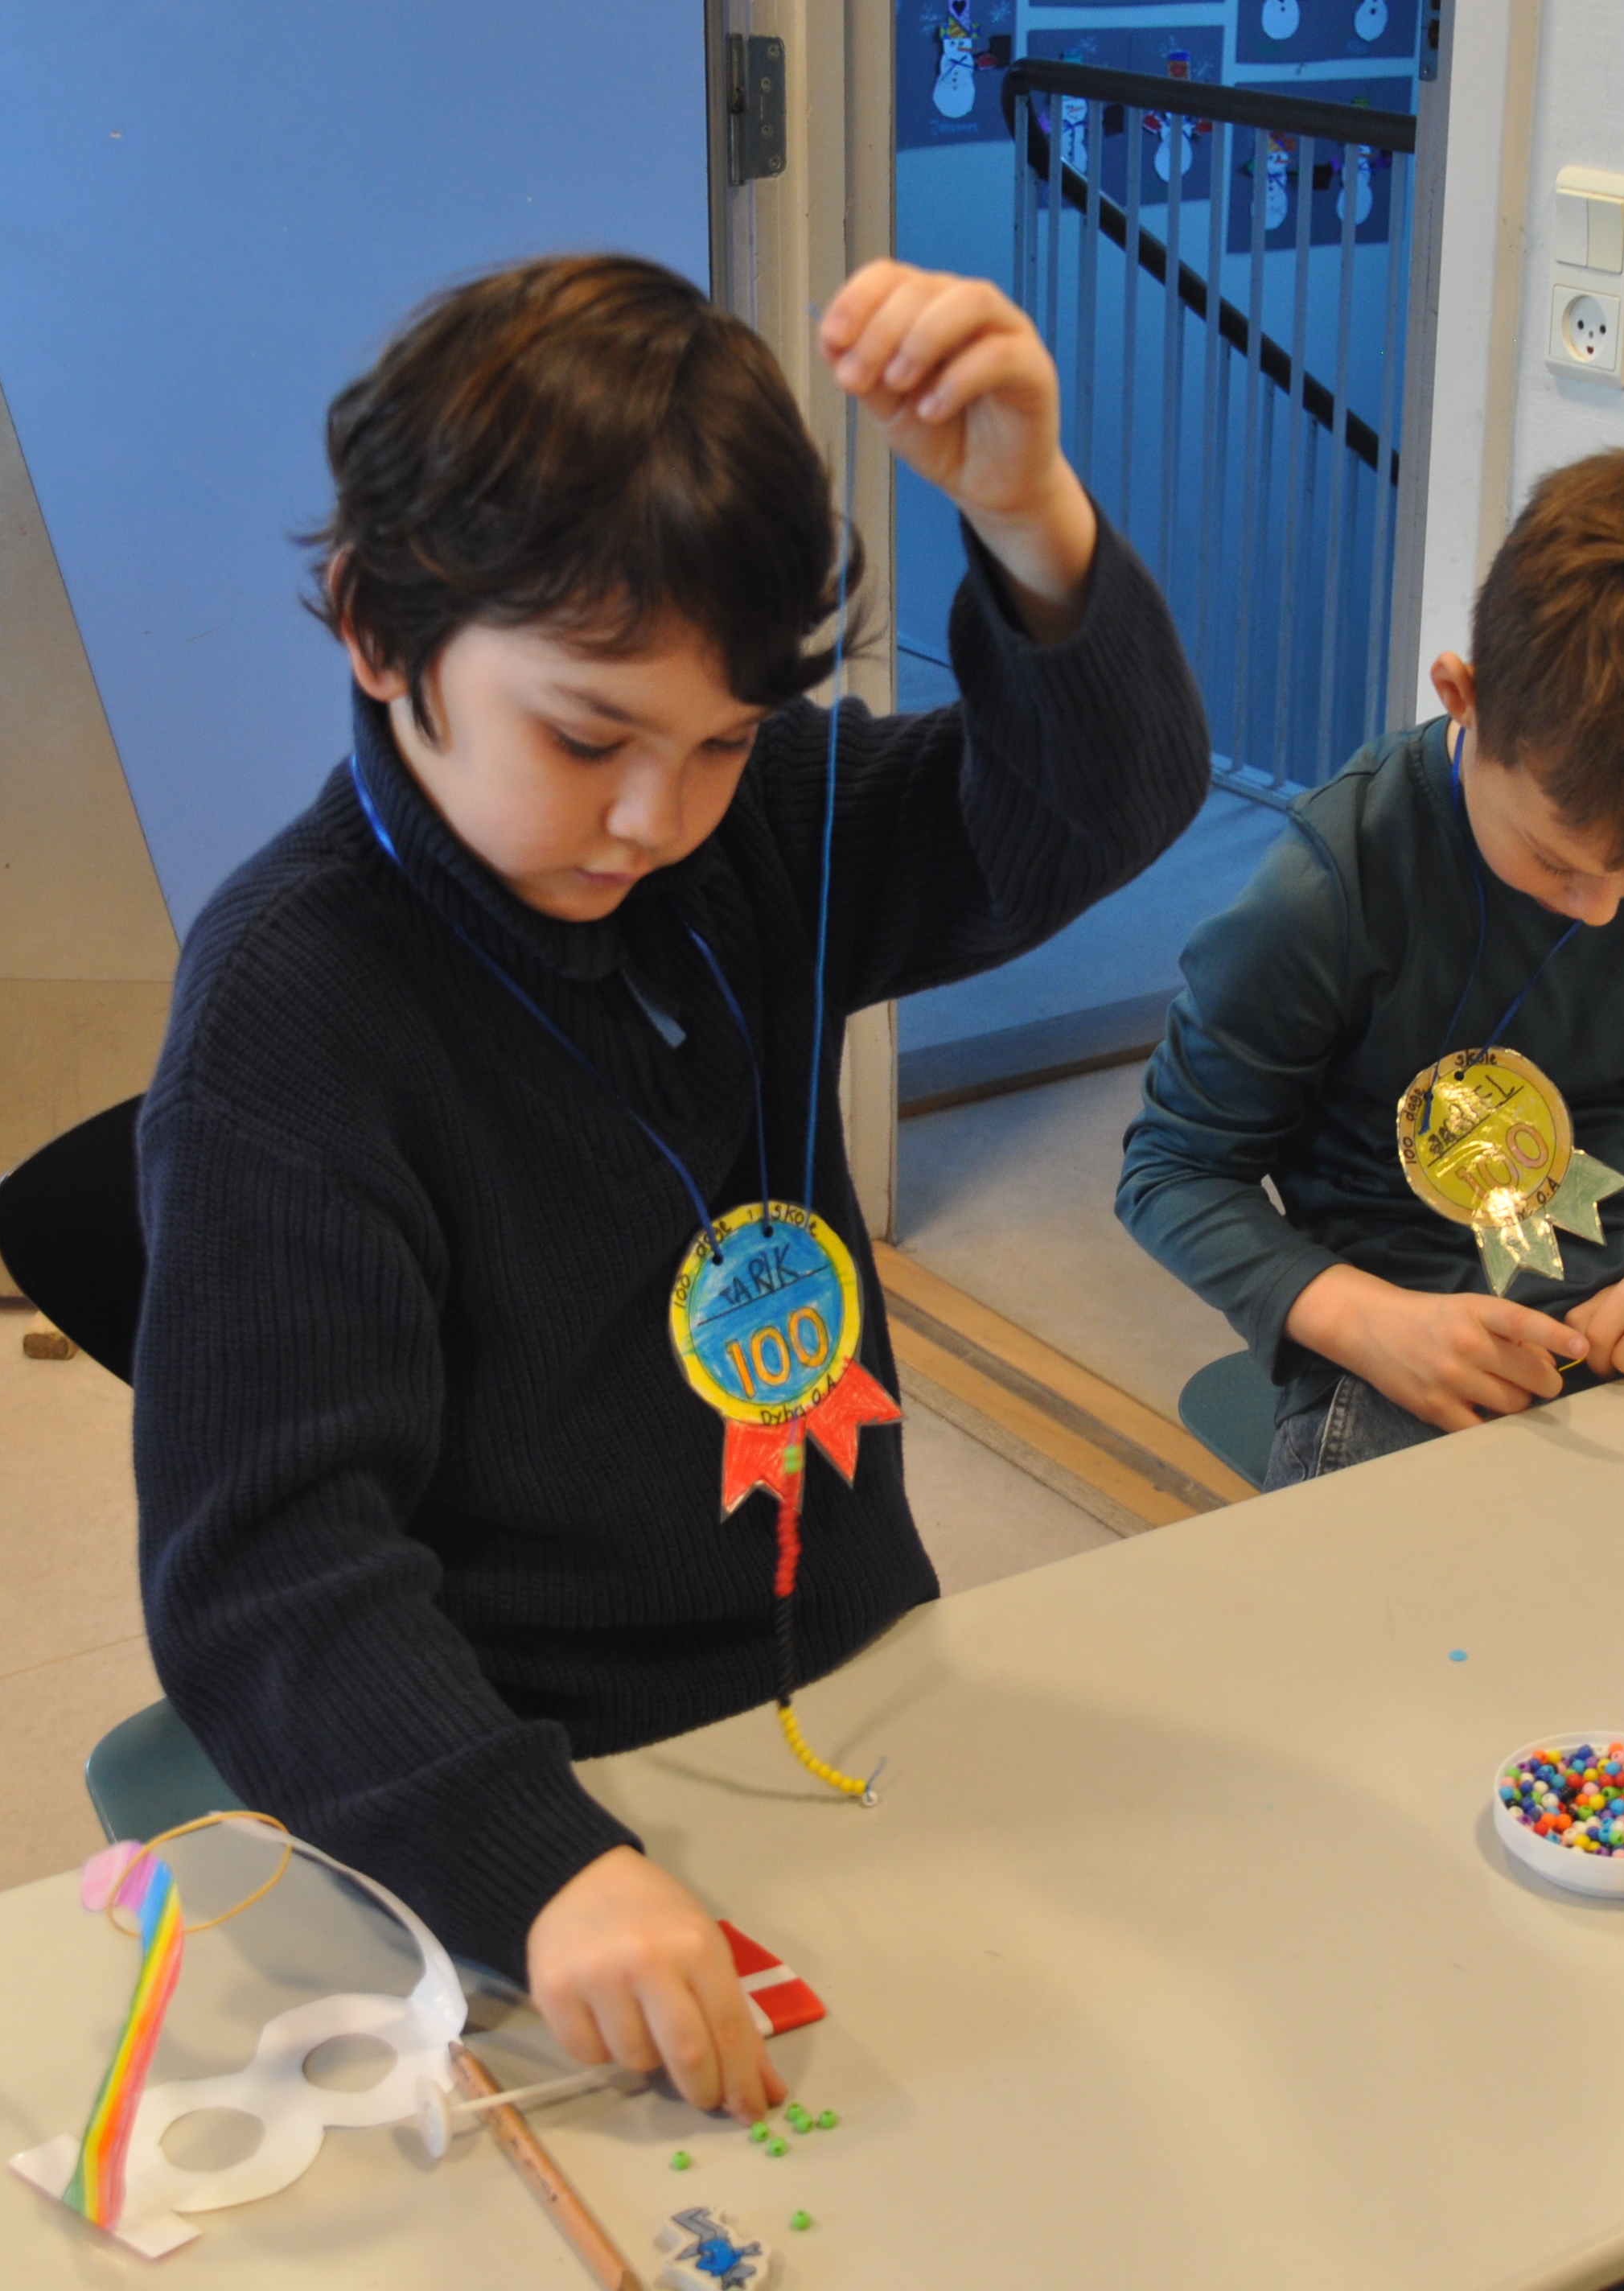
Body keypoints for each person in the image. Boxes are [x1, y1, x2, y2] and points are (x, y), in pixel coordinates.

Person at [134, 253, 1207, 2122]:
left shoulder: (750, 830)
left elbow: (1082, 814)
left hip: (851, 1665)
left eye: (719, 738)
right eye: (584, 736)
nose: (655, 816)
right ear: (376, 631)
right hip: (533, 1761)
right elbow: (269, 1562)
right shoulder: (291, 1011)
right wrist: (539, 1858)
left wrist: (1028, 514)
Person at [1116, 446, 1624, 2283]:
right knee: (1409, 1793)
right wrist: (1357, 1315)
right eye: (1557, 859)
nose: (1606, 906)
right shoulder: (1326, 891)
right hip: (1405, 1357)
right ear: (1458, 698)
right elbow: (1169, 1171)